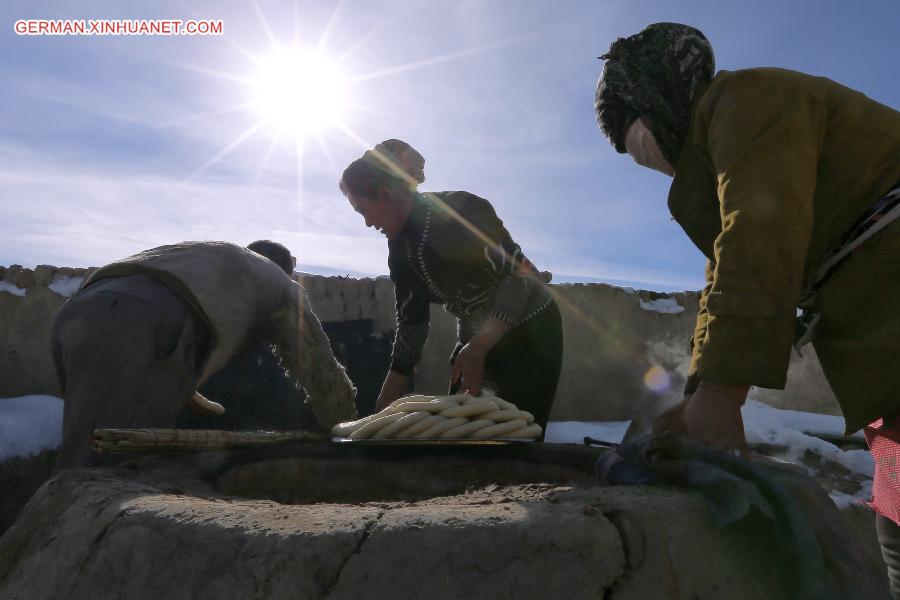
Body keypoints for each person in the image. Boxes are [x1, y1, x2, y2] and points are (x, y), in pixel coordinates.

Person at [595, 21, 900, 593]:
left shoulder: (748, 99)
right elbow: (723, 275)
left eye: (637, 141)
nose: (648, 161)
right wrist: (698, 393)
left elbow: (760, 232)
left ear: (660, 101)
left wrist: (721, 394)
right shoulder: (727, 142)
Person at [51, 240, 357, 470]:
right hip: (147, 321)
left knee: (83, 444)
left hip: (78, 311)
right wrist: (344, 428)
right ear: (287, 269)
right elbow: (320, 368)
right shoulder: (280, 283)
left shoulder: (211, 259)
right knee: (116, 462)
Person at [339, 139, 563, 433]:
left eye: (363, 211)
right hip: (473, 338)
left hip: (532, 330)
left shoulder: (462, 210)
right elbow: (411, 329)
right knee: (462, 431)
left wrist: (479, 346)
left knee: (517, 431)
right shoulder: (400, 252)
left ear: (384, 195)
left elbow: (521, 278)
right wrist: (374, 421)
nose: (367, 223)